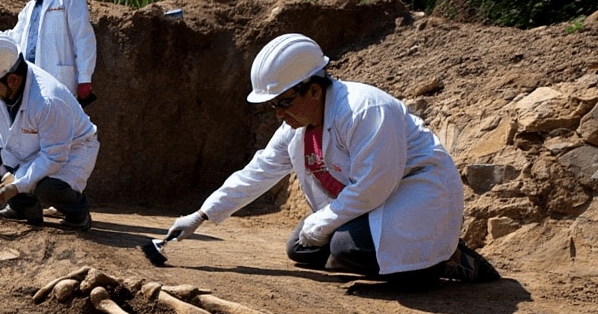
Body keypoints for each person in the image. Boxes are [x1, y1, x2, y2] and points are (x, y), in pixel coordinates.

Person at [166, 32, 498, 288]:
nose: (280, 114)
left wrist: (322, 224)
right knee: (300, 248)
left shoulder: (365, 109)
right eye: (274, 106)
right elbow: (260, 169)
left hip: (416, 192)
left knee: (344, 248)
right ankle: (401, 257)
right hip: (377, 200)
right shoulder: (298, 125)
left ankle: (445, 260)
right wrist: (202, 214)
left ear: (313, 89)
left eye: (284, 102)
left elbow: (373, 186)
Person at [0, 34, 98, 231]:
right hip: (29, 143)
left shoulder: (48, 100)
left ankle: (78, 214)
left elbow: (53, 156)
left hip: (71, 150)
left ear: (12, 80)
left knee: (47, 188)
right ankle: (23, 207)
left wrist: (14, 184)